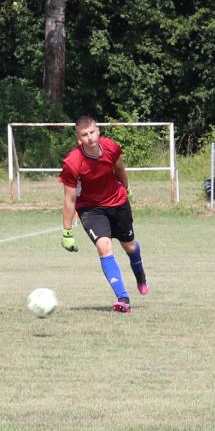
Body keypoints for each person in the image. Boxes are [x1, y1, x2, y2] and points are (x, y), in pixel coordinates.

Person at [60, 115, 149, 313]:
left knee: (130, 246)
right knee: (104, 247)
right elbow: (69, 199)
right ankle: (123, 298)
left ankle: (140, 275)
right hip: (91, 209)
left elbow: (120, 169)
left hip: (118, 202)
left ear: (98, 131)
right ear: (79, 139)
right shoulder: (72, 162)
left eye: (92, 132)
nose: (90, 137)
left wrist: (127, 188)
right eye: (84, 134)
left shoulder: (111, 147)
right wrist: (67, 232)